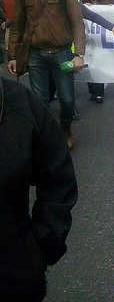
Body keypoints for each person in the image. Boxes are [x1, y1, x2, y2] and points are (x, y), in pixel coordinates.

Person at [0, 76, 78, 302]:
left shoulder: (19, 104)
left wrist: (42, 244)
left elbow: (57, 174)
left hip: (13, 272)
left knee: (66, 99)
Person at [7, 0, 86, 150]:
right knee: (39, 101)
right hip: (36, 55)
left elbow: (77, 23)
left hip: (62, 53)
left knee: (67, 100)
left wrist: (78, 54)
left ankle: (66, 129)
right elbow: (17, 26)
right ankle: (47, 137)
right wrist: (13, 56)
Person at [81, 0, 114, 103]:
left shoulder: (105, 6)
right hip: (87, 42)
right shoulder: (82, 6)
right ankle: (92, 91)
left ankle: (99, 93)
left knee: (98, 66)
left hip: (101, 42)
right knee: (89, 67)